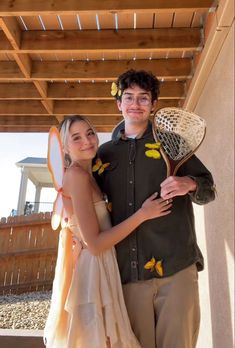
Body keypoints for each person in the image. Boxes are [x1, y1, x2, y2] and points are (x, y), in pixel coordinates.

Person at [96, 70, 216, 348]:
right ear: (119, 104)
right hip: (127, 274)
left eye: (143, 98)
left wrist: (188, 183)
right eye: (129, 97)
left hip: (176, 267)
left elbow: (208, 188)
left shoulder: (173, 144)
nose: (135, 104)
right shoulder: (102, 156)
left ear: (153, 105)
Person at [44, 115, 172, 348]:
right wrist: (143, 214)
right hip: (91, 273)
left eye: (90, 133)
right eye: (76, 137)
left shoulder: (90, 174)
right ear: (65, 147)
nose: (87, 141)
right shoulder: (77, 176)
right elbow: (94, 243)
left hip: (103, 265)